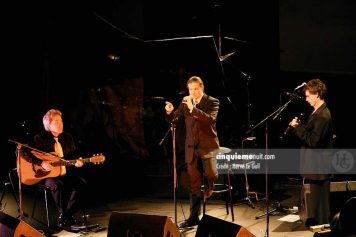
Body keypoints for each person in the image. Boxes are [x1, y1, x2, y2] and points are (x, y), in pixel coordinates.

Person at [165, 76, 220, 228]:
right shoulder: (185, 101)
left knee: (211, 174)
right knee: (194, 183)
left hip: (208, 145)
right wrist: (170, 113)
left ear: (201, 88)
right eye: (190, 89)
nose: (193, 92)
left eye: (196, 89)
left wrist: (193, 109)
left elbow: (210, 120)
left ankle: (210, 187)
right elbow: (176, 119)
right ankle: (193, 217)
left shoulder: (212, 101)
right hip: (191, 147)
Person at [25, 109, 87, 228]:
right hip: (47, 175)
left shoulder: (68, 137)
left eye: (61, 121)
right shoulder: (40, 138)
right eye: (56, 121)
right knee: (57, 185)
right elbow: (26, 152)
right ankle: (66, 217)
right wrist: (41, 162)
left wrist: (77, 162)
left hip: (66, 173)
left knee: (81, 184)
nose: (60, 124)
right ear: (48, 124)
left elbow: (73, 156)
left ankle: (65, 215)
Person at [288, 78, 333, 226]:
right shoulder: (316, 112)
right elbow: (311, 133)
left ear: (318, 94)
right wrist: (301, 126)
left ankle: (323, 227)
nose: (306, 99)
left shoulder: (323, 115)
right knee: (316, 201)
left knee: (321, 203)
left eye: (308, 96)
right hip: (314, 166)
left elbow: (313, 141)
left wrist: (296, 128)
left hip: (319, 167)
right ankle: (318, 224)